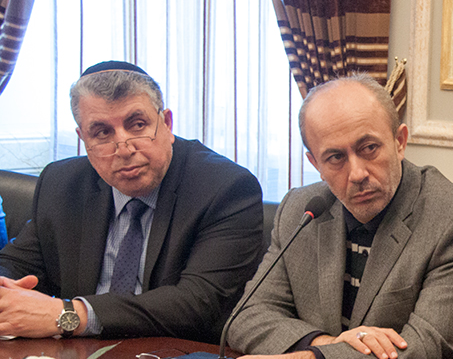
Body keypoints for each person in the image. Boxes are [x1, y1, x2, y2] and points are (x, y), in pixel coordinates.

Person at [222, 74, 453, 359]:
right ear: (315, 163)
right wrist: (327, 344)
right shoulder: (301, 210)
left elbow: (423, 349)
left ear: (400, 141)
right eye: (335, 157)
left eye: (369, 148)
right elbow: (247, 317)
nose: (357, 173)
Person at [0, 61, 263, 342]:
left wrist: (71, 315)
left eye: (137, 125)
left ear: (167, 124)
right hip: (75, 357)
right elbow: (17, 263)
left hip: (173, 358)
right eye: (102, 133)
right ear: (83, 138)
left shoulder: (225, 188)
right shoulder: (62, 182)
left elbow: (198, 303)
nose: (124, 149)